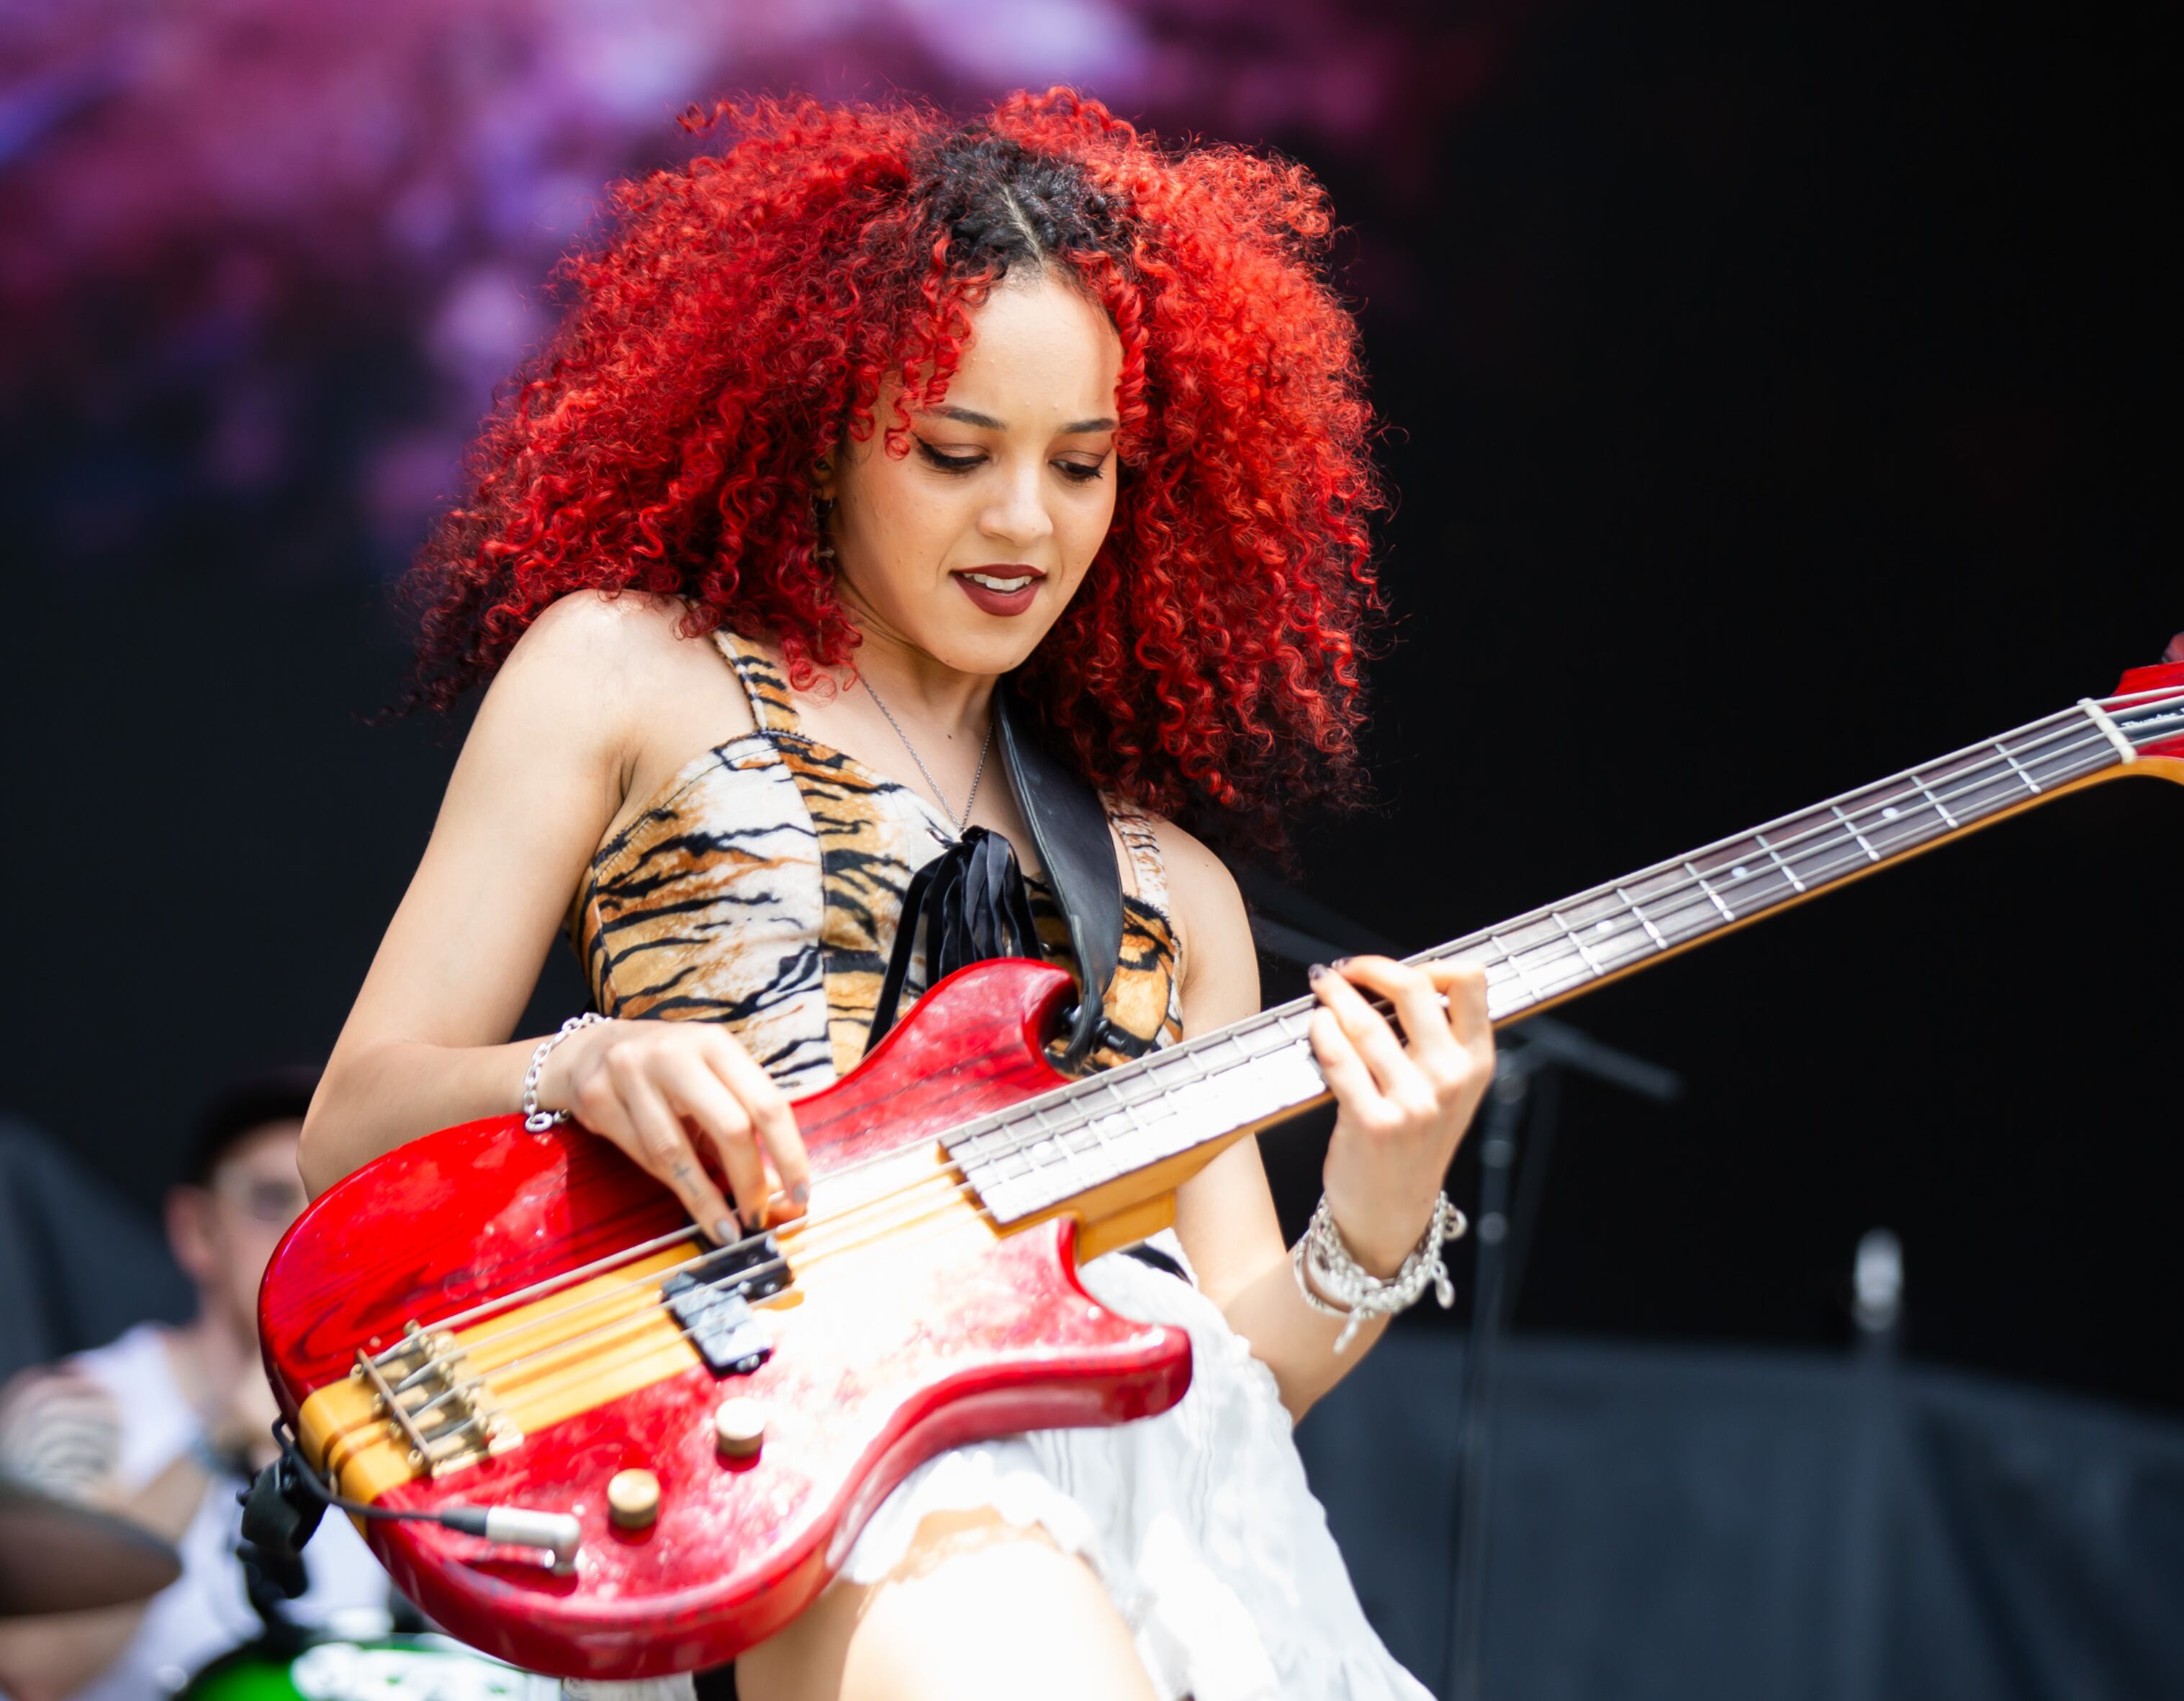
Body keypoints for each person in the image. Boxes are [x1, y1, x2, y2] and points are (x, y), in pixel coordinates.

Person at [299, 90, 1495, 1701]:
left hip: (1181, 1559)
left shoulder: (1175, 894)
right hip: (803, 1495)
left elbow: (1236, 1373)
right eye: (954, 452)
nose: (1025, 520)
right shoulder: (626, 673)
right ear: (824, 430)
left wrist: (1382, 1202)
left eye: (1084, 465)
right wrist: (581, 1065)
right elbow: (349, 1128)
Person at [0, 1077, 394, 1701]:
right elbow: (31, 1665)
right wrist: (217, 1439)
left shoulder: (389, 1420)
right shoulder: (81, 1404)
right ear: (196, 1230)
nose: (306, 1231)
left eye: (333, 1204)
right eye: (271, 1199)